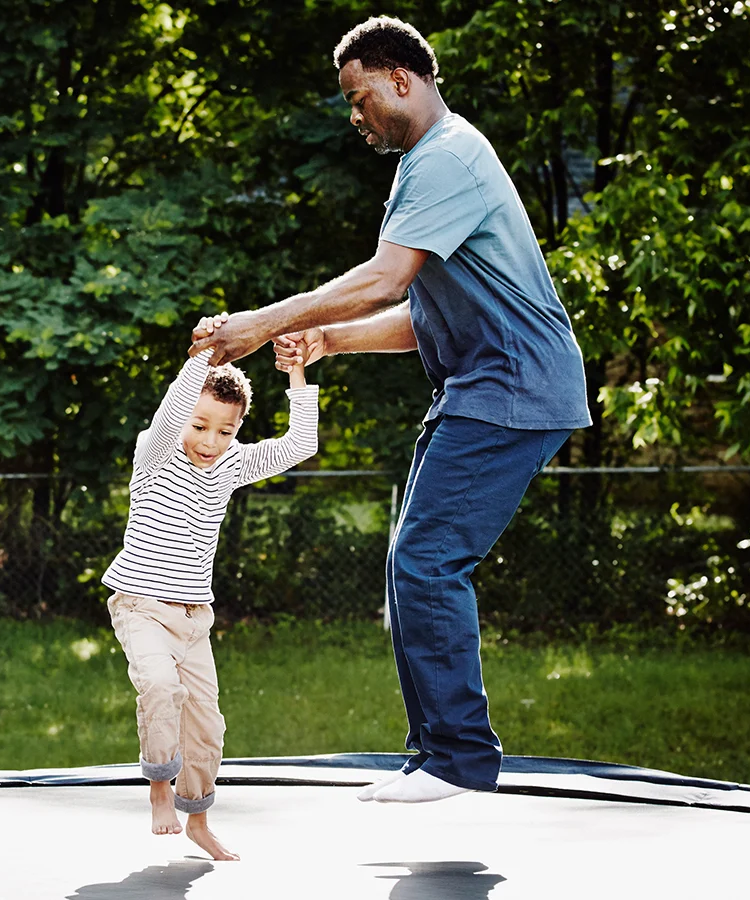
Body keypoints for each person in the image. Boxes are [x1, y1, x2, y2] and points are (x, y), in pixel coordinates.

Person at [189, 16, 591, 804]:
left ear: (401, 80)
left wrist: (262, 324)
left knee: (427, 560)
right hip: (494, 383)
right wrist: (329, 339)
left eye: (359, 96)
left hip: (510, 385)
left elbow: (386, 278)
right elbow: (425, 313)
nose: (354, 115)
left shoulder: (446, 158)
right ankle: (440, 754)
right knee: (415, 559)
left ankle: (457, 761)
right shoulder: (430, 164)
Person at [102, 314, 319, 860]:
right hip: (142, 606)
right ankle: (157, 790)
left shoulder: (232, 464)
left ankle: (197, 818)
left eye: (225, 430)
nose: (210, 440)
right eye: (200, 426)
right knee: (159, 688)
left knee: (207, 727)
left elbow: (302, 444)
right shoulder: (155, 454)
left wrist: (297, 373)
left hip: (195, 620)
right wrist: (208, 349)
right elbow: (175, 405)